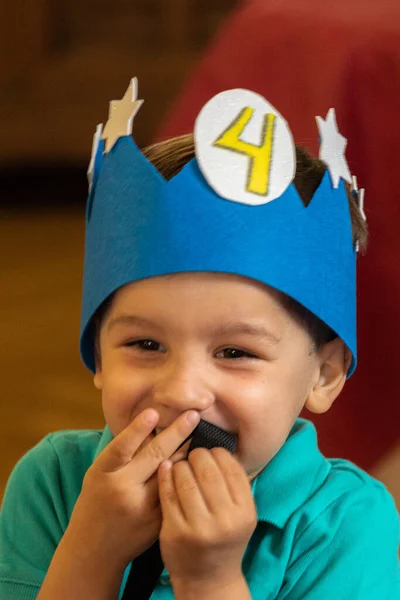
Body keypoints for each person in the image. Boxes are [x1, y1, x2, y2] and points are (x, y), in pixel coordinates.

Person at [0, 80, 398, 600]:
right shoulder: (53, 482)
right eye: (145, 345)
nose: (183, 391)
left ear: (323, 375)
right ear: (98, 351)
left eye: (236, 353)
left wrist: (210, 580)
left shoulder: (346, 522)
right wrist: (91, 549)